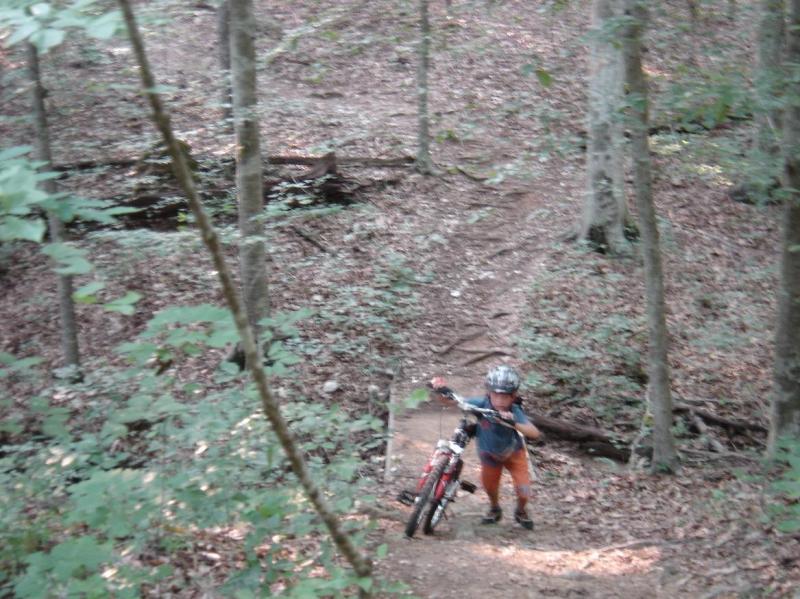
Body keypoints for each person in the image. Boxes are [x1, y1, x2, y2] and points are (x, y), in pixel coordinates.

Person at [430, 365, 541, 530]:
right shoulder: (482, 404)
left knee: (524, 490)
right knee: (490, 487)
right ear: (489, 393)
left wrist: (513, 422)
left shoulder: (514, 410)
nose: (500, 401)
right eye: (496, 395)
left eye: (505, 396)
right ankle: (495, 508)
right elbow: (452, 401)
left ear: (513, 396)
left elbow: (534, 433)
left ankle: (521, 510)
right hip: (489, 455)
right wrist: (439, 390)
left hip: (514, 454)